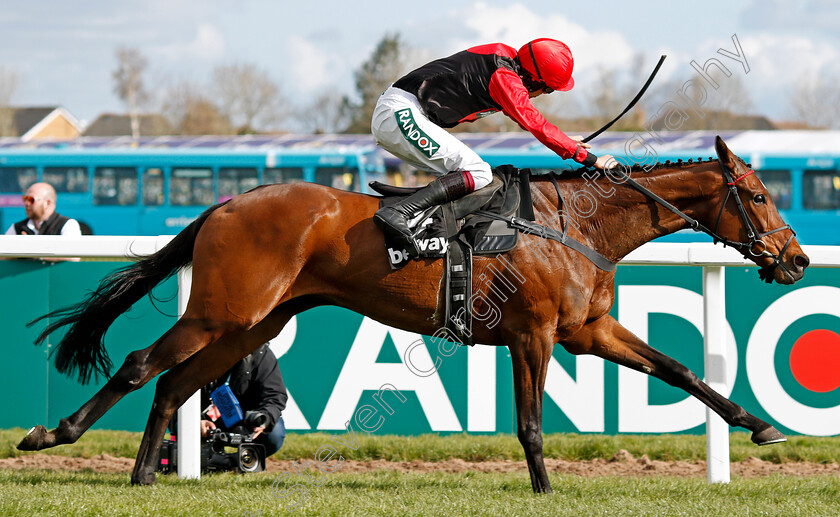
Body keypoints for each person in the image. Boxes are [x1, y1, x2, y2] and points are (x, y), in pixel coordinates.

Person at [372, 38, 617, 257]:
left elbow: (522, 115)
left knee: (464, 176)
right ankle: (399, 213)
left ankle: (432, 231)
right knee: (478, 173)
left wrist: (562, 138)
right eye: (549, 89)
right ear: (534, 80)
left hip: (402, 112)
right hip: (401, 114)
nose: (545, 94)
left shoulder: (507, 62)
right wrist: (592, 159)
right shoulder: (504, 76)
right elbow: (532, 120)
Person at [171, 343, 288, 457]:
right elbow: (176, 394)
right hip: (207, 419)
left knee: (274, 433)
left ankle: (246, 459)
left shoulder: (260, 352)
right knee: (184, 424)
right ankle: (203, 457)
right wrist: (197, 420)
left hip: (247, 419)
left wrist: (264, 418)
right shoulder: (199, 349)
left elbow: (275, 395)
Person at [5, 182, 82, 236]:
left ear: (47, 203)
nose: (27, 203)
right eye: (25, 199)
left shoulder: (67, 225)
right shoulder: (17, 227)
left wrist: (31, 250)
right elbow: (2, 254)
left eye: (31, 200)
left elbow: (72, 257)